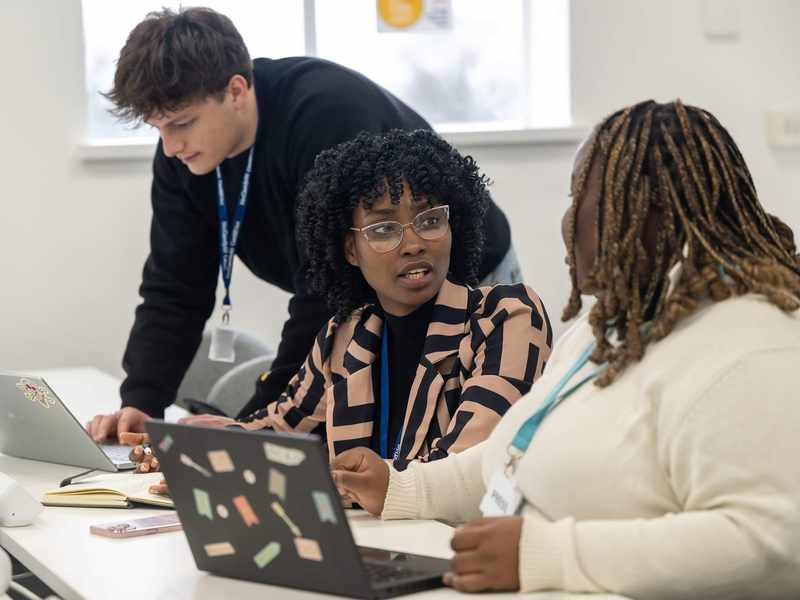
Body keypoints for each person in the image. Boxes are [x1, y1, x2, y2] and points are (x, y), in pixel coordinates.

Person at [330, 100, 800, 597]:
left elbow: (769, 539)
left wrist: (549, 555)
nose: (567, 220)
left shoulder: (749, 345)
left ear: (656, 216)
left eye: (583, 199)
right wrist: (403, 488)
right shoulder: (614, 323)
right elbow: (513, 454)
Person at [86, 7, 517, 441]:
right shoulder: (183, 158)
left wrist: (259, 424)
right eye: (157, 127)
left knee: (446, 449)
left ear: (236, 90)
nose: (171, 145)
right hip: (360, 296)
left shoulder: (325, 117)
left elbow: (329, 291)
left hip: (462, 278)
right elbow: (174, 285)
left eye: (181, 123)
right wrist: (141, 402)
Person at [131, 129, 552, 493]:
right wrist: (207, 448)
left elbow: (462, 468)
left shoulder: (505, 317)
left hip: (457, 548)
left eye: (429, 220)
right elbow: (280, 427)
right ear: (350, 249)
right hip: (373, 542)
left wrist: (313, 478)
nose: (413, 243)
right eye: (383, 228)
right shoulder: (347, 333)